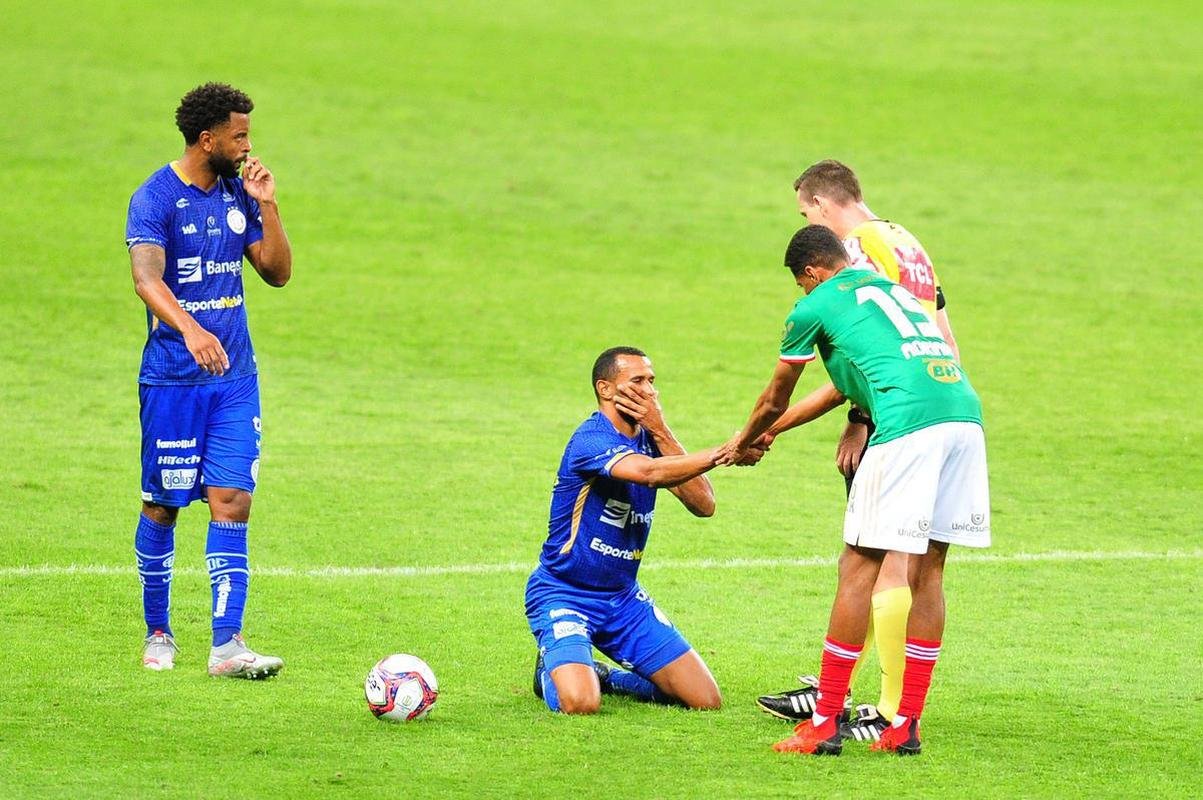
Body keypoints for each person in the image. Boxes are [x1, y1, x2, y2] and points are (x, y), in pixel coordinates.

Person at [719, 226, 990, 755]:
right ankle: (904, 725)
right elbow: (844, 385)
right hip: (963, 417)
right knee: (930, 569)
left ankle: (822, 725)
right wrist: (772, 432)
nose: (804, 293)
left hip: (907, 428)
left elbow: (776, 394)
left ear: (812, 272)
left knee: (858, 567)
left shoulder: (814, 306)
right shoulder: (886, 290)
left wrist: (745, 440)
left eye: (802, 283)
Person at [755, 160, 964, 739]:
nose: (804, 218)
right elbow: (936, 335)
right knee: (903, 560)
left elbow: (874, 337)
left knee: (881, 558)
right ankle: (853, 697)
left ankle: (887, 710)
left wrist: (858, 418)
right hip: (941, 398)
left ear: (821, 205)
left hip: (893, 414)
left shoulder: (856, 249)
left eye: (804, 211)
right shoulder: (905, 240)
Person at [125, 82, 292, 678]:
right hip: (172, 380)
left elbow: (276, 273)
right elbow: (147, 279)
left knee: (232, 500)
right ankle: (160, 631)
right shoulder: (154, 198)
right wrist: (192, 331)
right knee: (163, 505)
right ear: (208, 138)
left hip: (235, 379)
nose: (248, 146)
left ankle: (227, 645)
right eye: (240, 135)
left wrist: (267, 203)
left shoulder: (237, 193)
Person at [525, 346, 733, 714]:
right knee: (580, 704)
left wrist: (661, 430)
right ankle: (550, 671)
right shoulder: (591, 439)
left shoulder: (652, 439)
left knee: (704, 699)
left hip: (622, 599)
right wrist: (725, 451)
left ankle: (605, 677)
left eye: (652, 381)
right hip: (565, 592)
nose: (650, 391)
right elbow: (648, 473)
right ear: (605, 389)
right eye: (637, 381)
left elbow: (704, 505)